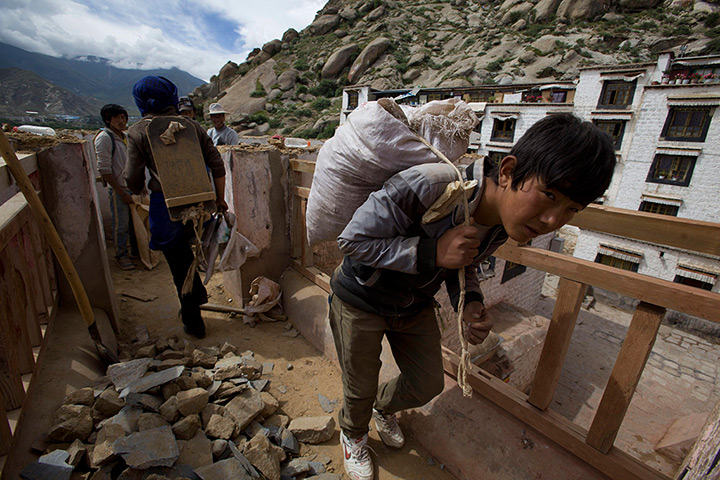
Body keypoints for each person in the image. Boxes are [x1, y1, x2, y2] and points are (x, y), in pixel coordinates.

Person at [329, 113, 616, 480]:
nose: (552, 220)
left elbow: (463, 262)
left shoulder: (500, 225)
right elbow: (352, 241)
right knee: (359, 385)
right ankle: (352, 434)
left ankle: (382, 408)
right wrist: (430, 252)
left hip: (413, 306)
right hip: (360, 299)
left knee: (427, 383)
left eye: (571, 209)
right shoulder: (429, 185)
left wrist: (472, 302)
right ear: (509, 170)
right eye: (550, 195)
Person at [125, 76, 228, 339]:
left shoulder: (138, 132)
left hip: (166, 208)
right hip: (201, 204)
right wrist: (220, 199)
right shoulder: (192, 126)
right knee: (187, 255)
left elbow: (133, 181)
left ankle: (194, 323)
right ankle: (197, 297)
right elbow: (217, 165)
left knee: (178, 263)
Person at [95, 103, 138, 270]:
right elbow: (104, 170)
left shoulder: (124, 137)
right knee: (121, 225)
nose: (122, 121)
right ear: (108, 119)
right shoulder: (105, 138)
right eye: (117, 118)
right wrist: (121, 192)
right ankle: (121, 255)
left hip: (131, 187)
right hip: (119, 188)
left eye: (123, 117)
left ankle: (136, 251)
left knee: (135, 223)